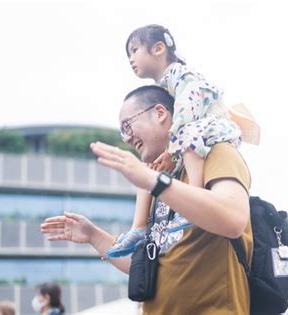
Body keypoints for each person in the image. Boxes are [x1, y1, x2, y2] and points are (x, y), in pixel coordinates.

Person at [41, 85, 252, 314]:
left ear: (160, 113)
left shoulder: (215, 153)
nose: (128, 138)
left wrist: (153, 181)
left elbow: (233, 220)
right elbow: (141, 266)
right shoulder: (159, 182)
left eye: (127, 126)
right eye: (123, 132)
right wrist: (93, 235)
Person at [106, 24, 259, 259]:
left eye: (134, 50)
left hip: (211, 129)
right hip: (192, 136)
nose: (131, 59)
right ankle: (138, 227)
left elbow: (187, 115)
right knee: (147, 169)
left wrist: (170, 152)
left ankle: (194, 195)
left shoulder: (183, 76)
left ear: (158, 48)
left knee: (187, 135)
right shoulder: (165, 84)